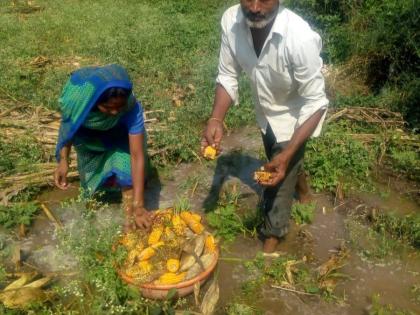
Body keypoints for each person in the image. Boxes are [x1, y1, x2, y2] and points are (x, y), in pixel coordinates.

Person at [201, 0, 329, 253]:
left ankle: (272, 237)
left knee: (279, 172)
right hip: (265, 111)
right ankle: (304, 193)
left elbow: (316, 101)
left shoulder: (299, 37)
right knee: (279, 158)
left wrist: (289, 151)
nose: (256, 7)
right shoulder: (231, 21)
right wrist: (216, 119)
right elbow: (227, 74)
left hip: (296, 115)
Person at [54, 64, 152, 232]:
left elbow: (136, 156)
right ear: (94, 100)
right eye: (108, 108)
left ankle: (129, 224)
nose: (114, 112)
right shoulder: (78, 103)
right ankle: (91, 225)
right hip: (90, 141)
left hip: (120, 137)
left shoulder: (130, 107)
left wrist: (140, 204)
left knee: (127, 170)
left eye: (118, 108)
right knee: (92, 185)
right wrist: (63, 161)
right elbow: (68, 129)